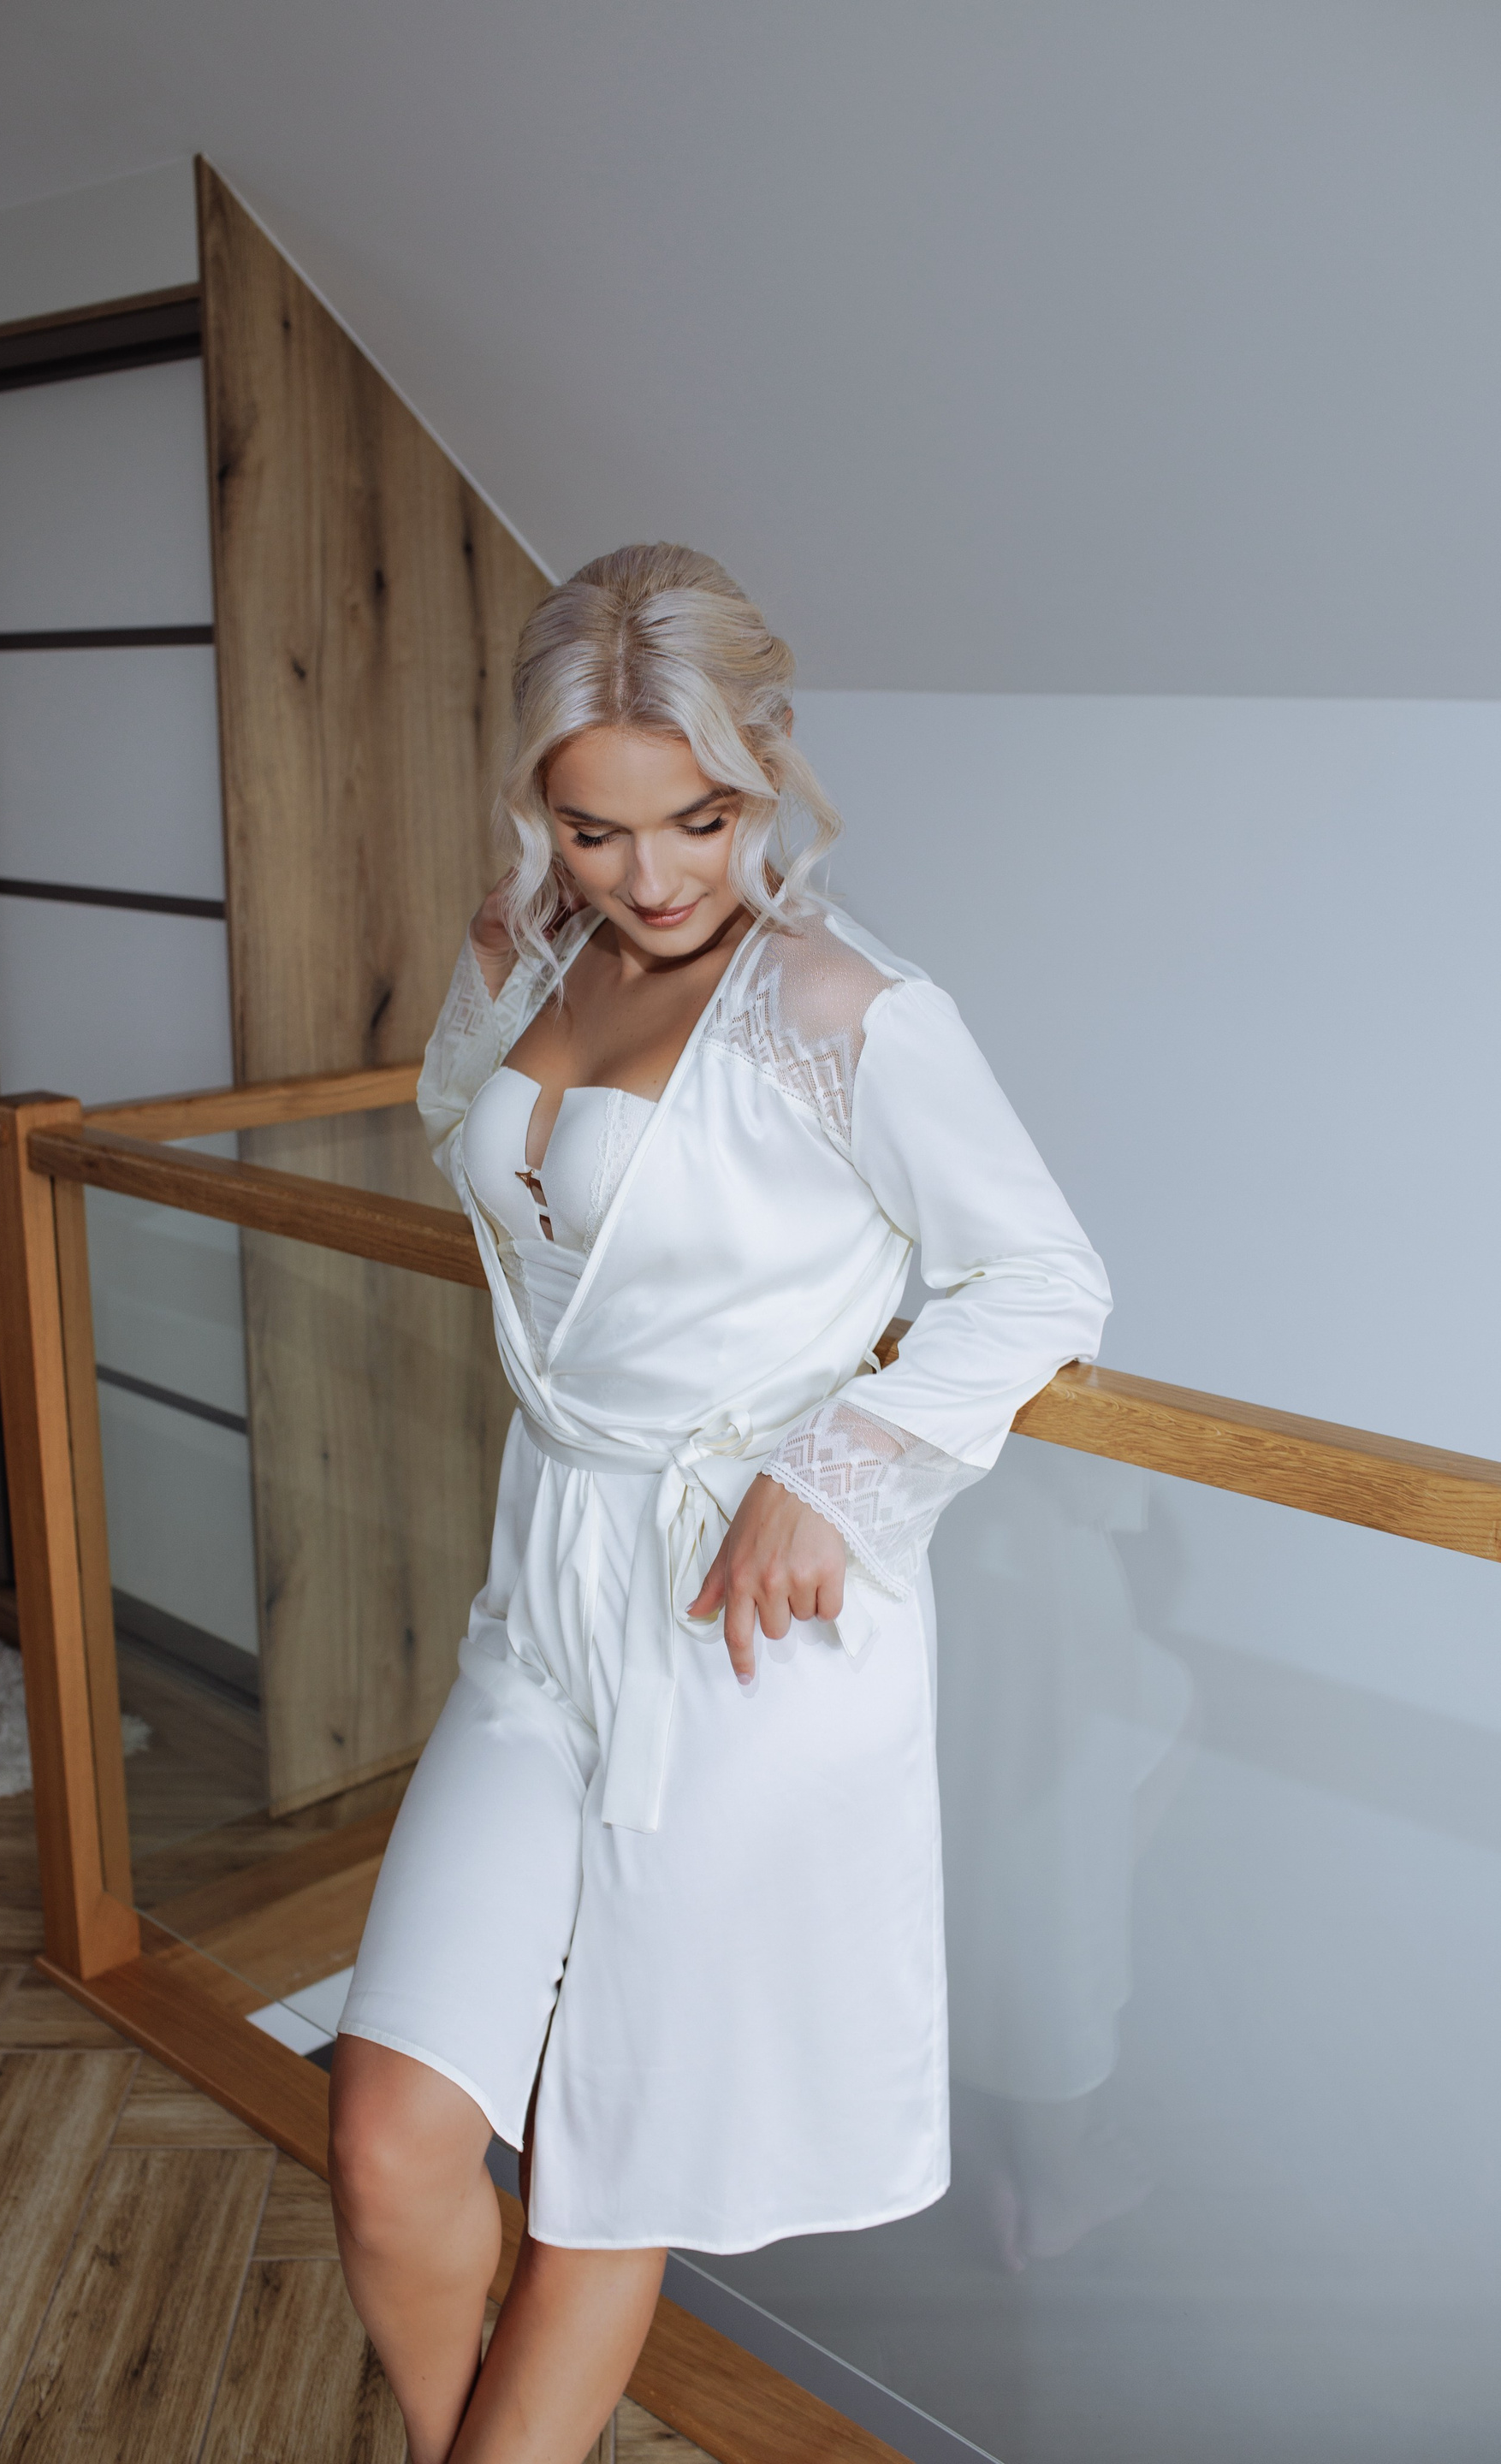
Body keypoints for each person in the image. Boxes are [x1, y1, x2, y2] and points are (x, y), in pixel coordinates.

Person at [328, 543, 1111, 2462]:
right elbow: (483, 1152)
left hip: (742, 1635)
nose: (656, 876)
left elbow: (1041, 1280)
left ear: (769, 763)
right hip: (543, 1602)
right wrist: (510, 961)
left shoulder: (846, 1005)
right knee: (389, 2137)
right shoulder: (537, 953)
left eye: (701, 816)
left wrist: (832, 1467)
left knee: (614, 2175)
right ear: (542, 808)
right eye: (595, 828)